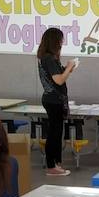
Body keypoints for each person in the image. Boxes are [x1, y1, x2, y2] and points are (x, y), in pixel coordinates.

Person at [37, 27, 76, 176]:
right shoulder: (48, 58)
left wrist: (67, 69)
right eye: (60, 40)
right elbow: (59, 80)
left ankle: (56, 163)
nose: (62, 43)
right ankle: (52, 165)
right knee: (54, 133)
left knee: (56, 132)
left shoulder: (48, 58)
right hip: (53, 100)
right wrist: (69, 67)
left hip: (54, 99)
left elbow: (59, 77)